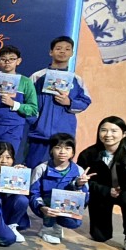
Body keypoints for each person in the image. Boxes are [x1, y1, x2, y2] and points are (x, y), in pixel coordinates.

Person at [76, 116, 126, 250]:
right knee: (99, 237)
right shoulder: (88, 154)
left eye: (114, 131)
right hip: (101, 193)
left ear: (124, 134)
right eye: (104, 130)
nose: (108, 134)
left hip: (125, 191)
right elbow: (85, 182)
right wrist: (106, 190)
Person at [26, 36, 92, 167]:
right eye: (59, 48)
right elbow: (26, 101)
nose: (63, 51)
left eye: (67, 49)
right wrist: (35, 122)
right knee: (33, 169)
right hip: (39, 135)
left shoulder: (76, 79)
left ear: (72, 53)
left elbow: (86, 101)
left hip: (64, 136)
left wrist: (69, 102)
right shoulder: (37, 76)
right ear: (51, 52)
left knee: (60, 170)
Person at [30, 132, 92, 245]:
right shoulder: (41, 169)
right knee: (51, 199)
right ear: (51, 150)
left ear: (73, 152)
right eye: (58, 148)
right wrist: (41, 207)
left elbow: (85, 199)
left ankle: (57, 225)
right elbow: (33, 193)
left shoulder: (79, 171)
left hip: (66, 206)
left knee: (75, 222)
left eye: (67, 148)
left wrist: (79, 185)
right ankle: (47, 228)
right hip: (45, 205)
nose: (62, 152)